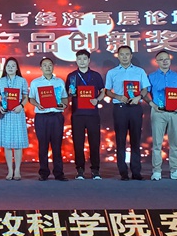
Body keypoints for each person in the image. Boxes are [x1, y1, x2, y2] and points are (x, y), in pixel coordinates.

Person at [104, 45, 150, 180]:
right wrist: (118, 96)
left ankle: (136, 171)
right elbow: (107, 91)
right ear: (118, 56)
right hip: (120, 108)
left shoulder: (140, 71)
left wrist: (139, 97)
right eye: (122, 54)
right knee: (120, 140)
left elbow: (145, 88)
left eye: (127, 54)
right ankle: (123, 172)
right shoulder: (112, 72)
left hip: (135, 108)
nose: (124, 57)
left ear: (131, 56)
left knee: (136, 140)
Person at [146, 51, 177, 181]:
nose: (164, 61)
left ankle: (175, 170)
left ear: (170, 60)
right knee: (157, 143)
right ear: (157, 62)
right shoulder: (151, 77)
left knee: (174, 143)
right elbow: (145, 93)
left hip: (175, 113)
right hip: (158, 112)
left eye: (167, 59)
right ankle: (156, 171)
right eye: (161, 59)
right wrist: (152, 105)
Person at [64, 50, 106, 180]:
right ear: (76, 60)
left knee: (94, 143)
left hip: (93, 114)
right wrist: (70, 92)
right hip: (77, 114)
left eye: (84, 59)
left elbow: (103, 91)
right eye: (79, 59)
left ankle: (95, 170)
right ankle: (80, 170)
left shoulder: (96, 76)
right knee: (78, 143)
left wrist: (97, 100)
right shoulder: (72, 76)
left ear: (89, 60)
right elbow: (66, 95)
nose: (82, 61)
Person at [28, 57, 68, 181]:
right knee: (43, 145)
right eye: (45, 65)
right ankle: (43, 173)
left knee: (57, 145)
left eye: (50, 65)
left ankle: (59, 173)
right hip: (42, 116)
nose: (47, 67)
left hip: (56, 116)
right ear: (41, 68)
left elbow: (65, 98)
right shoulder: (35, 82)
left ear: (53, 67)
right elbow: (31, 98)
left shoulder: (60, 82)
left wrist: (63, 105)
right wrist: (36, 104)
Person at [0, 57, 29, 181]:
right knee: (7, 144)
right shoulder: (0, 81)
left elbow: (26, 96)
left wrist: (21, 106)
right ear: (5, 68)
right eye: (8, 66)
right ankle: (10, 170)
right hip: (5, 115)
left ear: (17, 68)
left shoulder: (22, 81)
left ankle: (17, 170)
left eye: (13, 66)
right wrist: (0, 107)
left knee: (18, 144)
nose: (10, 68)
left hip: (17, 113)